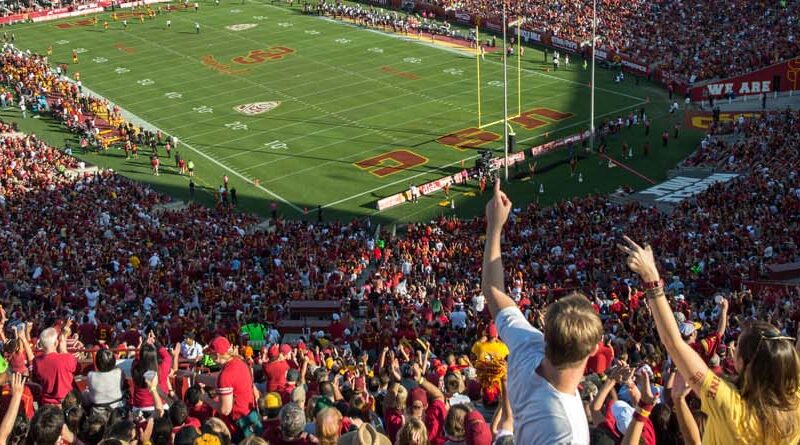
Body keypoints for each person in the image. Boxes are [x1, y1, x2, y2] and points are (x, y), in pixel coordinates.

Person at [618, 236, 800, 444]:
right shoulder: (795, 400)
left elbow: (674, 343)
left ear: (745, 364)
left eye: (737, 348)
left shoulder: (731, 406)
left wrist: (651, 278)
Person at [482, 179, 603, 444]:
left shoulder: (528, 347)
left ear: (546, 334)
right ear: (593, 350)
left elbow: (492, 290)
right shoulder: (565, 431)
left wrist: (495, 227)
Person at [199, 337, 259, 440]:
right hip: (250, 416)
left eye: (211, 354)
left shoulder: (226, 374)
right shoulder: (239, 362)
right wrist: (192, 375)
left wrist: (206, 399)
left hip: (237, 425)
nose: (210, 357)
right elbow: (218, 381)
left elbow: (225, 410)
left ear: (217, 355)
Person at [31, 327, 78, 406]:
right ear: (56, 343)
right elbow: (75, 368)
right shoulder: (66, 358)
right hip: (66, 403)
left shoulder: (36, 361)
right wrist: (64, 351)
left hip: (46, 403)